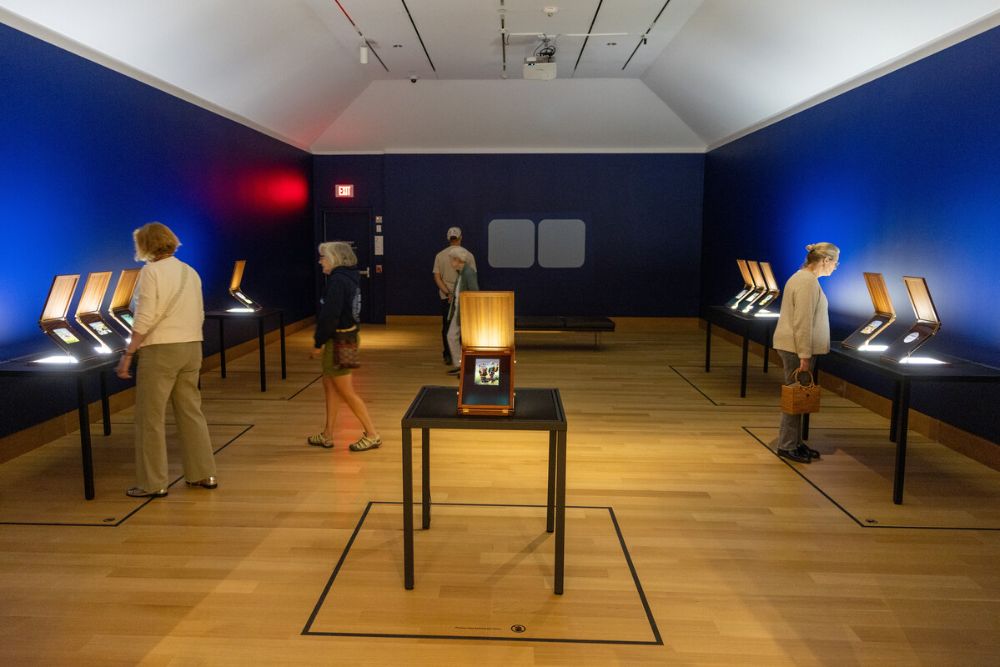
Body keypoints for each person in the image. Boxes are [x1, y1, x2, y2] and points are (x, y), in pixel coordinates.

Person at [115, 222, 217, 497]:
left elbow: (145, 316)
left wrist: (129, 353)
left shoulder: (151, 272)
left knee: (150, 417)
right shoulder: (190, 272)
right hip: (192, 346)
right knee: (190, 412)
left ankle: (153, 483)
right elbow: (199, 312)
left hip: (160, 350)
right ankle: (203, 473)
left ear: (145, 245)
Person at [307, 241, 382, 452]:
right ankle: (327, 434)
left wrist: (318, 342)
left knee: (346, 392)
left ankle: (372, 434)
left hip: (341, 341)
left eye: (323, 257)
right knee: (330, 387)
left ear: (335, 258)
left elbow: (330, 315)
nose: (320, 261)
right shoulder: (350, 277)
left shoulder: (338, 281)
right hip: (346, 338)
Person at [772, 242, 841, 463]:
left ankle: (795, 442)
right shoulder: (807, 282)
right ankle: (787, 445)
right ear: (825, 261)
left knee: (800, 397)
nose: (835, 267)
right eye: (835, 262)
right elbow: (802, 321)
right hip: (796, 349)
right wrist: (804, 355)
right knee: (795, 397)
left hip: (795, 347)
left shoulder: (803, 278)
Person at [432, 227, 477, 365]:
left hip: (447, 297)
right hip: (463, 296)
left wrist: (447, 293)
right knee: (464, 327)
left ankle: (449, 355)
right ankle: (463, 355)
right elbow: (472, 278)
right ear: (460, 237)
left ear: (448, 238)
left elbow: (437, 277)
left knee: (447, 326)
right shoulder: (468, 255)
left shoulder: (440, 256)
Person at [445, 246, 479, 376]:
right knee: (454, 336)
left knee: (453, 336)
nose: (451, 263)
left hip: (465, 312)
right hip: (461, 311)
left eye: (452, 260)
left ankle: (462, 365)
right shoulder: (463, 273)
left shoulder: (468, 273)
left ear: (457, 260)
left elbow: (474, 292)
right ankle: (461, 365)